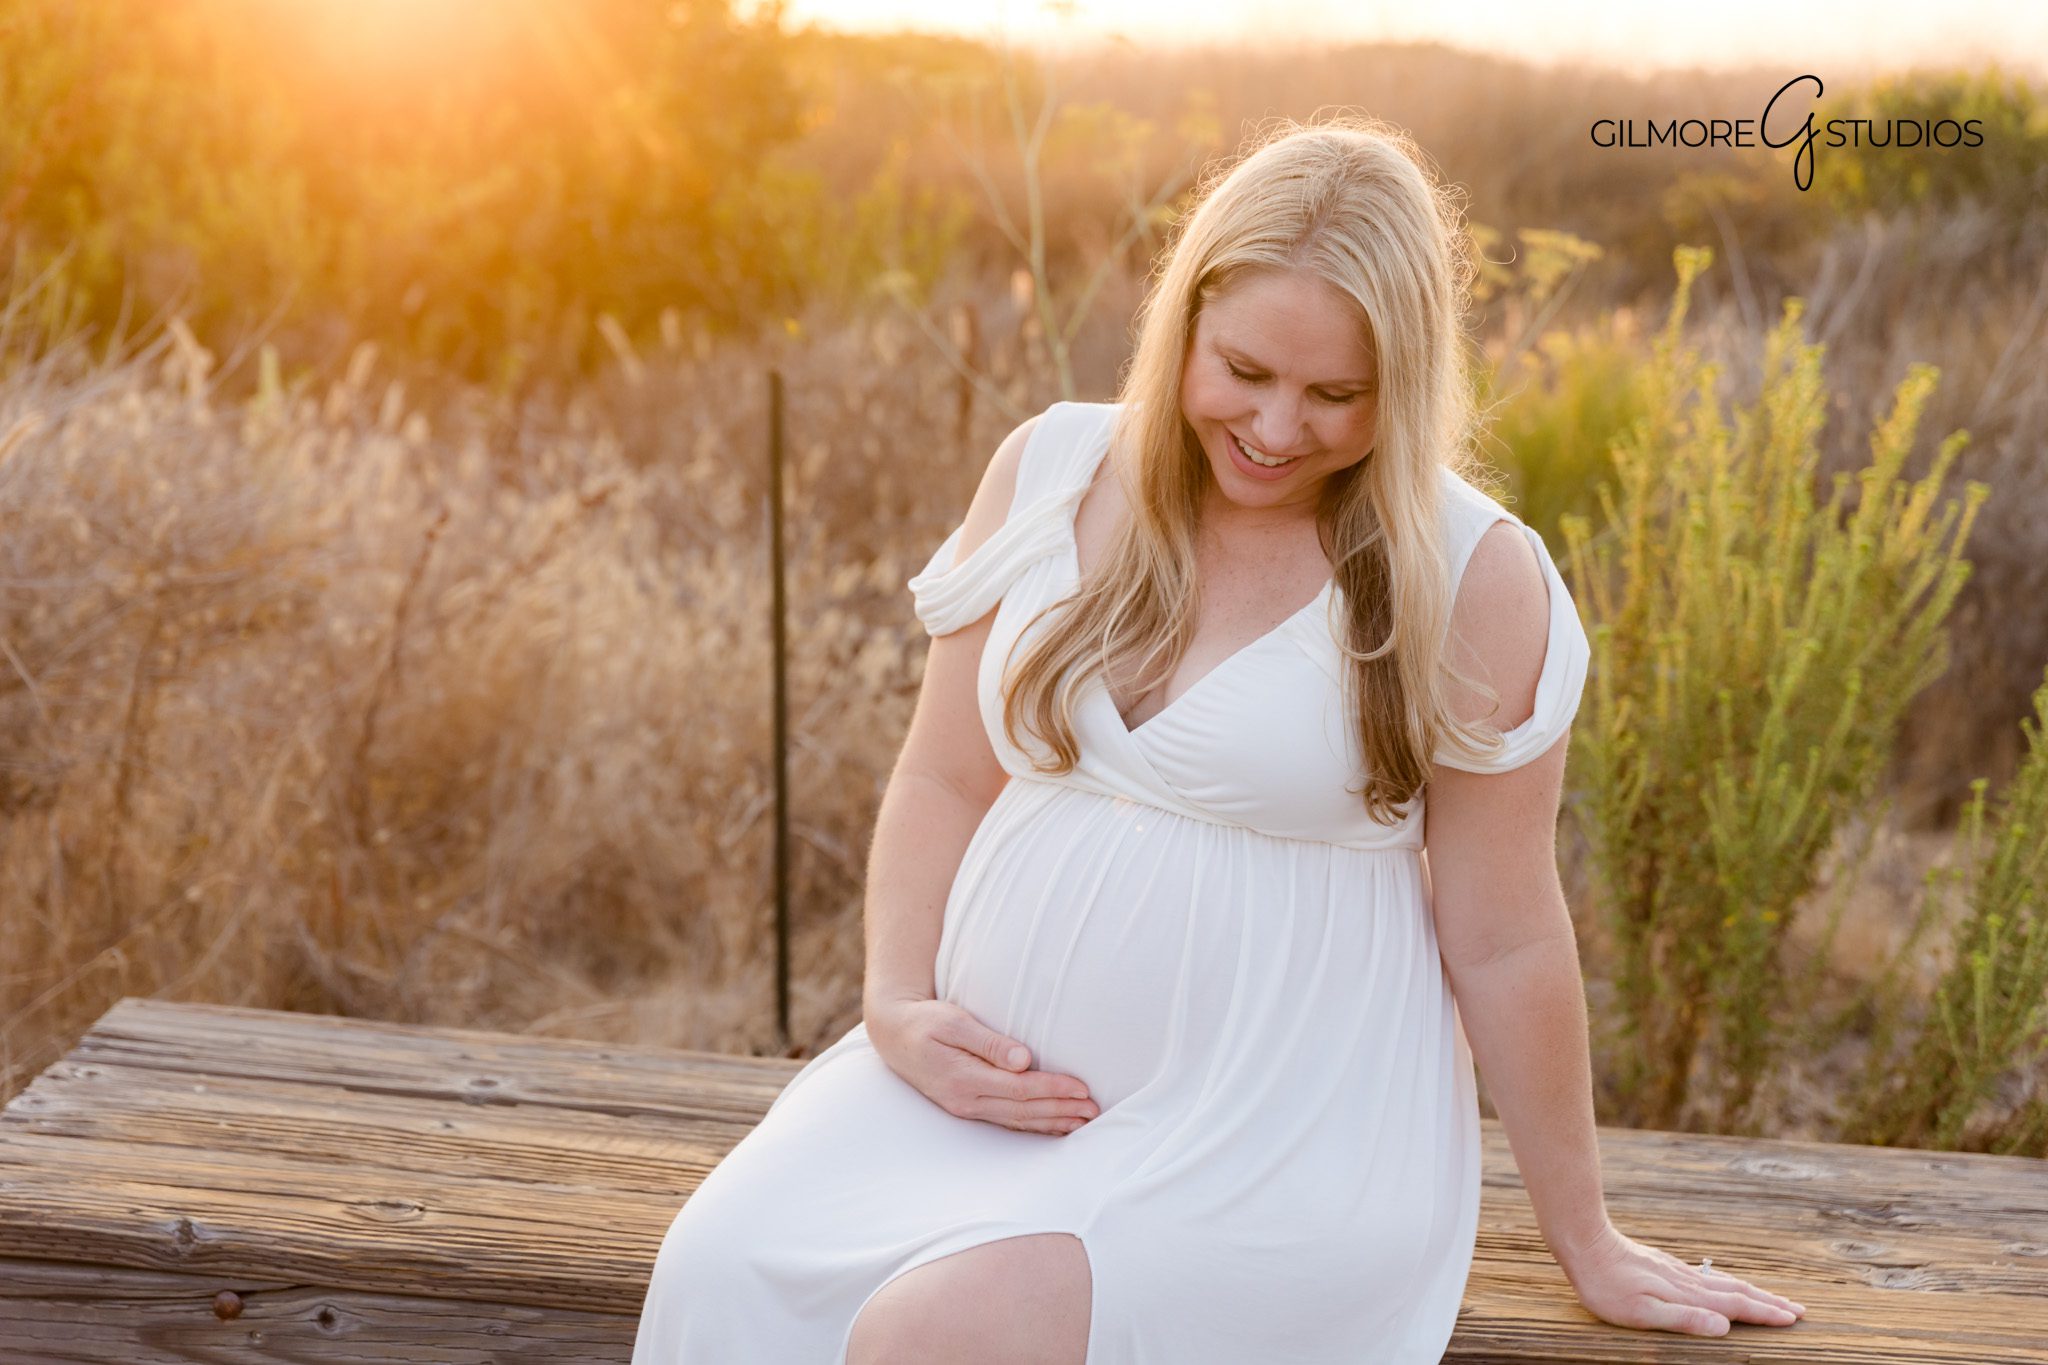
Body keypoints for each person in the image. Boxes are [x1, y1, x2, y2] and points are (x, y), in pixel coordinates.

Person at [630, 115, 1807, 1363]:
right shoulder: (1049, 470)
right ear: (1181, 322)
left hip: (1277, 1133)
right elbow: (940, 774)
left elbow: (1506, 932)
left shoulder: (1469, 575)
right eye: (1243, 370)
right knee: (721, 1269)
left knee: (939, 1336)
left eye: (1334, 394)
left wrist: (1588, 1239)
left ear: (1401, 384)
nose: (1276, 427)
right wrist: (893, 1007)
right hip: (982, 1096)